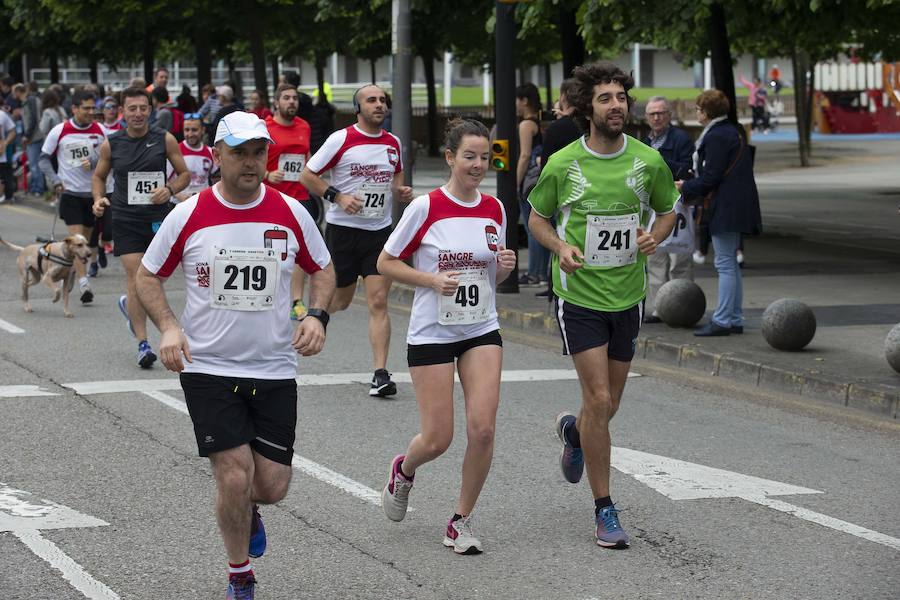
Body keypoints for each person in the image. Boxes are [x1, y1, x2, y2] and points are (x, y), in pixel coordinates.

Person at [135, 111, 336, 600]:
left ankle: (249, 511)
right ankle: (239, 575)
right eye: (240, 152)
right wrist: (168, 327)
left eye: (258, 152)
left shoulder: (290, 212)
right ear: (217, 155)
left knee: (269, 486)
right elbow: (147, 275)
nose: (250, 162)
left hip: (273, 366)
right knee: (233, 472)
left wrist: (316, 316)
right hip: (207, 366)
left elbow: (324, 269)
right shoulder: (190, 214)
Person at [527, 61, 678, 548]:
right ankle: (605, 509)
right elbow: (537, 219)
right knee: (598, 399)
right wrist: (559, 247)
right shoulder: (564, 163)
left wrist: (654, 236)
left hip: (627, 296)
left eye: (621, 97)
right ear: (587, 108)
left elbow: (668, 208)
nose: (617, 106)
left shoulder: (646, 162)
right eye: (606, 98)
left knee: (607, 406)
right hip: (580, 298)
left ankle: (574, 435)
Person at [377, 118, 516, 554]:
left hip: (480, 328)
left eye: (484, 156)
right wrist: (429, 280)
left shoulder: (495, 209)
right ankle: (405, 468)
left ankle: (460, 521)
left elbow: (491, 270)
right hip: (433, 331)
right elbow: (386, 262)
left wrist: (504, 268)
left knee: (484, 430)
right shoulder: (426, 207)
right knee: (439, 438)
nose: (478, 165)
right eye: (469, 156)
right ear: (451, 158)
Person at [300, 84, 413, 397]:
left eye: (382, 100)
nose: (379, 105)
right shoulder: (341, 139)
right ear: (359, 108)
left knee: (378, 300)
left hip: (378, 233)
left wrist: (399, 192)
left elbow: (397, 178)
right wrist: (337, 197)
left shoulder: (393, 143)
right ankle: (313, 314)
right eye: (371, 100)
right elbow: (307, 175)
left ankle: (380, 373)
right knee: (341, 301)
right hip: (344, 232)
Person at [91, 86, 191, 368]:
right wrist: (98, 199)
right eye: (131, 109)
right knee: (137, 277)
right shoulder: (112, 143)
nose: (137, 114)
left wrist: (169, 189)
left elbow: (184, 174)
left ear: (150, 110)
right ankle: (143, 343)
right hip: (125, 217)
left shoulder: (165, 139)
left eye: (142, 108)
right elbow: (99, 176)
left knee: (154, 280)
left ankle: (134, 313)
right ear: (123, 111)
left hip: (158, 218)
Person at [677, 89, 761, 337]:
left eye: (698, 109)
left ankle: (723, 319)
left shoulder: (715, 136)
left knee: (724, 264)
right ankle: (733, 317)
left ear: (705, 112)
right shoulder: (731, 132)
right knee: (730, 264)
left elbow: (711, 176)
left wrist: (686, 187)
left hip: (726, 206)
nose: (697, 113)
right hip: (737, 204)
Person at [39, 89, 109, 299]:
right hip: (70, 194)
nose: (90, 112)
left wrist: (95, 161)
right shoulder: (60, 130)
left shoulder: (101, 130)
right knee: (78, 241)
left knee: (83, 245)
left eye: (92, 108)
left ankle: (74, 274)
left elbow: (111, 155)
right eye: (86, 108)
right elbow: (43, 159)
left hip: (92, 195)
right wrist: (56, 181)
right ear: (74, 108)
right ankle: (84, 284)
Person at [642, 95, 696, 323]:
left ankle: (681, 306)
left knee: (678, 259)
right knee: (654, 258)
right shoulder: (644, 141)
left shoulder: (681, 139)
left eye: (660, 113)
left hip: (676, 206)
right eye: (652, 114)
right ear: (646, 117)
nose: (656, 117)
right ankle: (659, 308)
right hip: (651, 206)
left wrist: (659, 161)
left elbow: (687, 170)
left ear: (669, 115)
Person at [264, 84, 315, 317]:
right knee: (271, 250)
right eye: (286, 98)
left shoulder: (305, 126)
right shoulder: (265, 127)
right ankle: (268, 293)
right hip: (272, 198)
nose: (292, 102)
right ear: (276, 102)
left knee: (296, 251)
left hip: (300, 197)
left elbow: (307, 157)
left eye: (294, 98)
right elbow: (254, 160)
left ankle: (296, 301)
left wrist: (313, 171)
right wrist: (267, 174)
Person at [535, 78, 583, 299]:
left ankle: (557, 283)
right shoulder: (590, 128)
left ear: (564, 98)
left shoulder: (558, 129)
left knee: (558, 238)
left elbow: (546, 168)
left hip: (563, 195)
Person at [515, 82, 547, 287]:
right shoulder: (539, 122)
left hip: (529, 182)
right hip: (539, 181)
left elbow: (525, 155)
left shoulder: (526, 125)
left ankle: (536, 273)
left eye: (517, 100)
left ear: (524, 101)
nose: (515, 105)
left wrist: (515, 183)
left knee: (531, 227)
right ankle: (541, 272)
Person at [168, 113, 218, 201]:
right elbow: (165, 180)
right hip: (178, 205)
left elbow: (215, 179)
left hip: (202, 204)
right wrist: (180, 196)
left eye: (194, 130)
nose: (190, 134)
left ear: (203, 130)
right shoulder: (175, 151)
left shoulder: (211, 152)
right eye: (187, 130)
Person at [21, 81, 45, 196]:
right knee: (37, 163)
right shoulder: (37, 99)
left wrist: (27, 135)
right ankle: (37, 187)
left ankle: (38, 189)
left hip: (34, 137)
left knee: (34, 164)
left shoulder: (30, 100)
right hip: (39, 135)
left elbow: (32, 119)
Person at [0, 107, 15, 204]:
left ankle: (5, 195)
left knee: (3, 176)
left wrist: (5, 143)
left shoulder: (2, 115)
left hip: (1, 155)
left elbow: (12, 131)